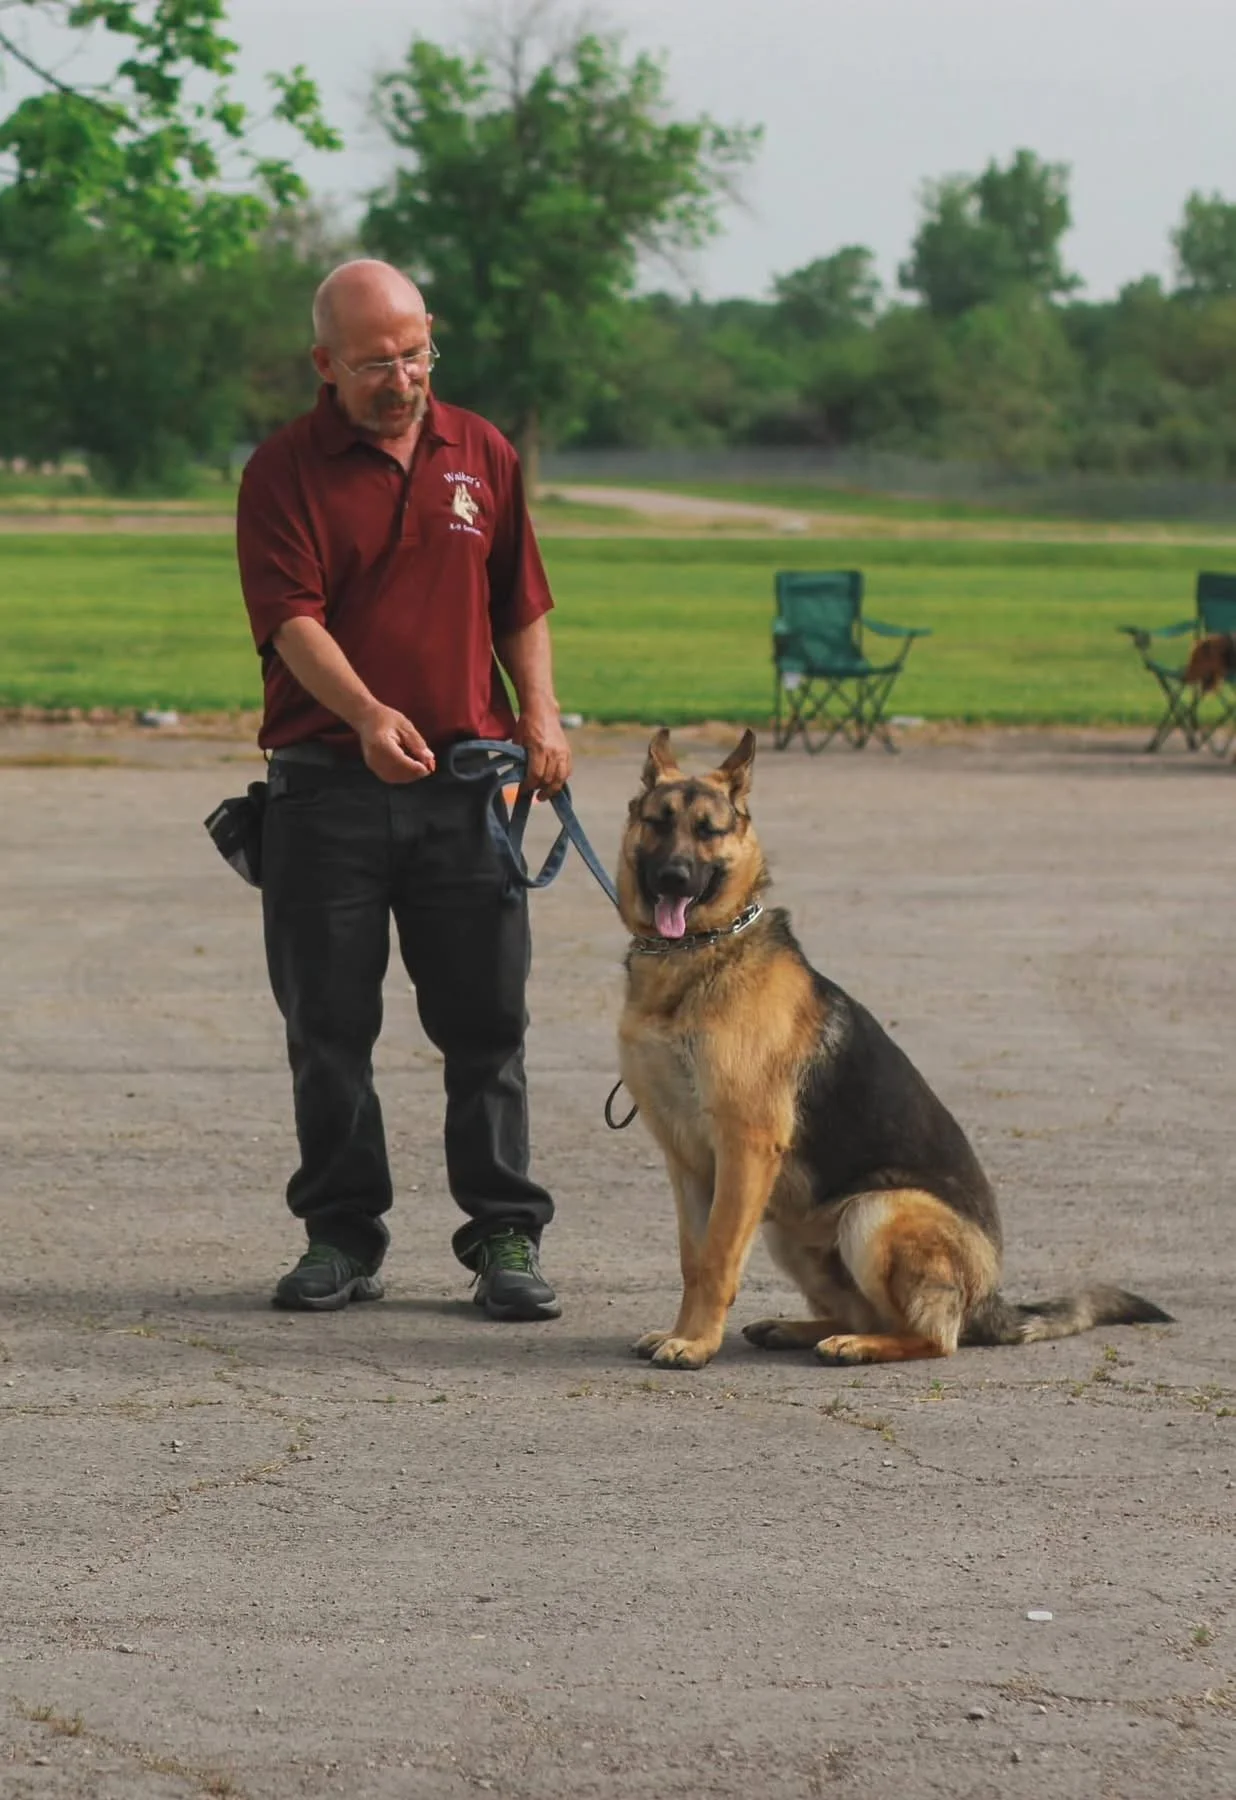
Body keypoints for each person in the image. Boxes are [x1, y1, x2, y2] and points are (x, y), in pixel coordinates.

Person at [235, 258, 571, 1320]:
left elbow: (519, 595)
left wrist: (542, 715)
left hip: (467, 786)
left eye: (418, 352)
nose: (404, 377)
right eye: (378, 362)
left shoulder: (483, 452)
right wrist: (368, 716)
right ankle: (342, 1237)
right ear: (325, 363)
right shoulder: (284, 471)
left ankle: (505, 1235)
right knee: (328, 1029)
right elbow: (294, 622)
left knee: (487, 1025)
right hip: (326, 790)